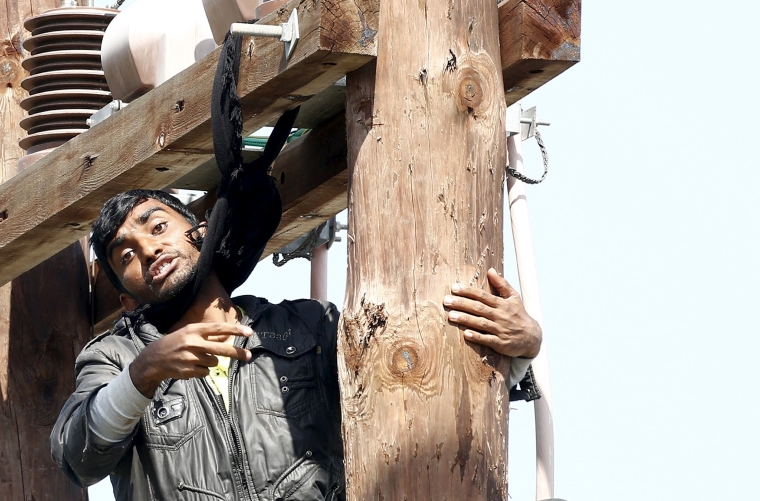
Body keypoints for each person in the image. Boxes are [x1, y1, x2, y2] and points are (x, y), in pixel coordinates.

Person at [50, 189, 542, 500]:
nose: (150, 249)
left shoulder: (307, 326)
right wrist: (145, 372)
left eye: (157, 227)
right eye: (127, 255)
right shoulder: (114, 358)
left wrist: (519, 348)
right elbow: (77, 458)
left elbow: (419, 386)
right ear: (125, 296)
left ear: (199, 233)